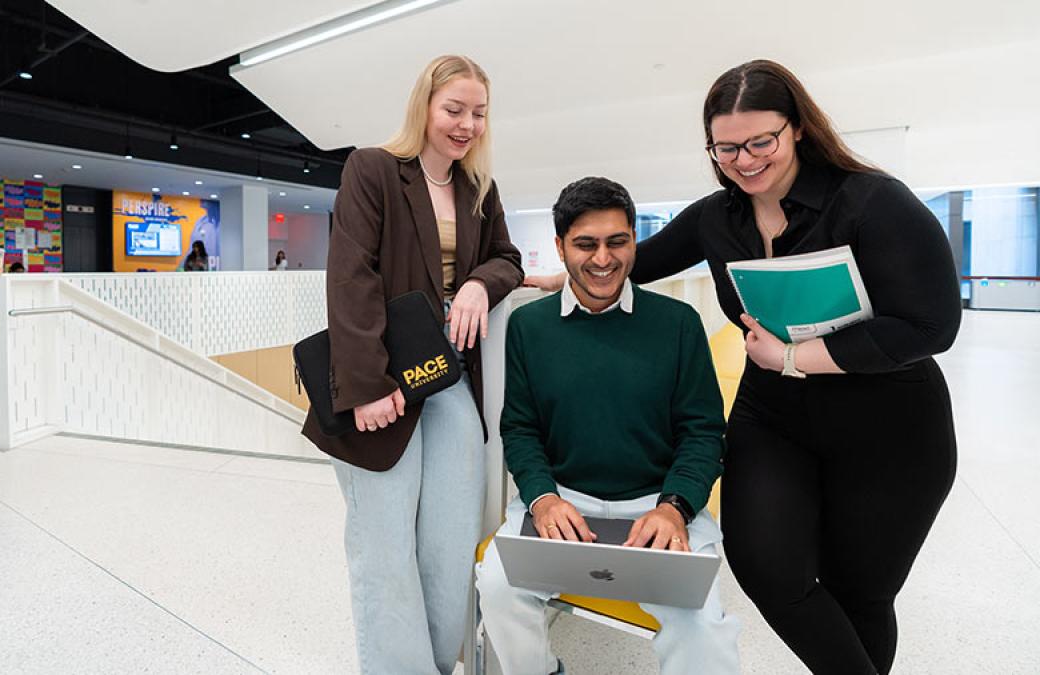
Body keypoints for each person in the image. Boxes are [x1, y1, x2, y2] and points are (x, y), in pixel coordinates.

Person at [529, 60, 960, 675]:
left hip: (889, 425)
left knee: (860, 590)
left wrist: (791, 356)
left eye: (763, 141)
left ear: (798, 129)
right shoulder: (717, 217)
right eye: (727, 147)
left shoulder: (870, 201)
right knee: (765, 565)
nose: (746, 159)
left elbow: (931, 325)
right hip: (776, 417)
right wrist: (557, 278)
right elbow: (636, 260)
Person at [300, 54, 523, 674]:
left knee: (450, 541)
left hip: (448, 378)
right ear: (424, 106)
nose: (466, 125)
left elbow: (508, 257)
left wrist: (480, 283)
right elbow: (351, 279)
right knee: (384, 544)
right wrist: (367, 386)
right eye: (454, 109)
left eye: (478, 113)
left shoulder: (479, 188)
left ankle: (438, 663)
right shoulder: (373, 170)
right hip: (379, 383)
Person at [476, 177, 740, 675]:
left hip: (659, 505)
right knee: (497, 586)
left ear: (633, 241)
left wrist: (675, 508)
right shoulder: (529, 327)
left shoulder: (678, 323)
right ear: (559, 247)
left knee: (701, 627)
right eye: (585, 244)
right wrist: (542, 497)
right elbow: (521, 428)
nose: (603, 259)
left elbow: (703, 433)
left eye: (617, 241)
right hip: (562, 501)